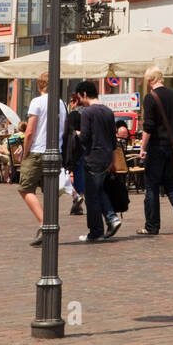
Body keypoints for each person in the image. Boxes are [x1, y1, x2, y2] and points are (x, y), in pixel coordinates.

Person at [137, 68, 173, 237]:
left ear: (150, 80)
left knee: (151, 186)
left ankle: (152, 225)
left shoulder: (150, 97)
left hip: (156, 147)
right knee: (171, 183)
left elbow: (148, 126)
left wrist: (142, 148)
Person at [19, 73, 68, 245]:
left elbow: (30, 131)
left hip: (37, 151)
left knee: (25, 188)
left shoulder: (37, 102)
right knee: (49, 191)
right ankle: (49, 223)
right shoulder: (61, 103)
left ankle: (45, 223)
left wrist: (25, 152)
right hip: (56, 151)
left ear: (39, 86)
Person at [73, 81, 123, 243]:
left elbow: (85, 137)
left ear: (85, 94)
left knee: (91, 196)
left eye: (80, 97)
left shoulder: (88, 113)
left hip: (93, 157)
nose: (81, 101)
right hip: (107, 156)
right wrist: (113, 161)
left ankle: (96, 231)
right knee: (99, 190)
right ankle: (112, 218)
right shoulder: (108, 111)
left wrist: (76, 133)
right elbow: (113, 139)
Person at [62, 94, 85, 216]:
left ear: (76, 101)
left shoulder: (73, 115)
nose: (71, 103)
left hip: (75, 149)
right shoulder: (88, 113)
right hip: (88, 149)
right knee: (80, 174)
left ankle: (76, 196)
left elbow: (68, 132)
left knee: (66, 174)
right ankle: (78, 202)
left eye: (71, 101)